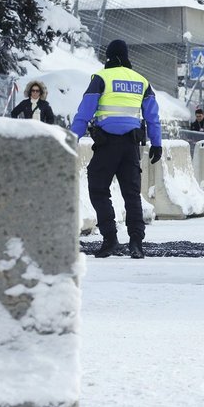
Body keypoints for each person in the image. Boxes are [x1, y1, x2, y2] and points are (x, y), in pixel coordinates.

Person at [70, 39, 163, 260]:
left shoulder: (101, 78)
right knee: (132, 194)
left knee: (98, 189)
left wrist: (71, 139)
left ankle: (110, 239)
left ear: (108, 56)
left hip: (107, 145)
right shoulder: (141, 81)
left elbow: (84, 112)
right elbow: (153, 117)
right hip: (131, 146)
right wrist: (157, 143)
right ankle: (137, 243)